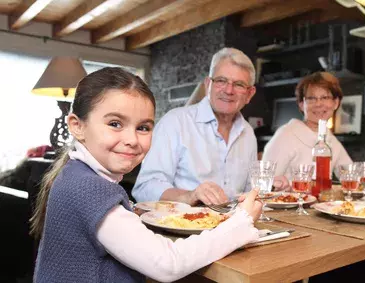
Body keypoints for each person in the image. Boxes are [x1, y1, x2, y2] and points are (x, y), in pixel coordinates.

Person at [30, 67, 263, 283]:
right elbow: (167, 264)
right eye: (115, 123)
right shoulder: (89, 188)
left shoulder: (76, 174)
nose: (132, 140)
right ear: (77, 125)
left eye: (143, 128)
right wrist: (240, 222)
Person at [132, 47, 288, 206]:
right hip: (183, 224)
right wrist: (190, 196)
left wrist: (268, 188)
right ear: (208, 85)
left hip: (234, 225)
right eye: (221, 81)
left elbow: (247, 192)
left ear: (249, 94)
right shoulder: (175, 122)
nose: (228, 90)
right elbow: (145, 188)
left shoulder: (248, 133)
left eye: (239, 84)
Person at [262, 72, 352, 179]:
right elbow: (265, 181)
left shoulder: (329, 138)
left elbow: (349, 174)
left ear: (336, 103)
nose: (318, 104)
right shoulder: (286, 134)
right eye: (311, 98)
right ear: (301, 105)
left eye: (325, 97)